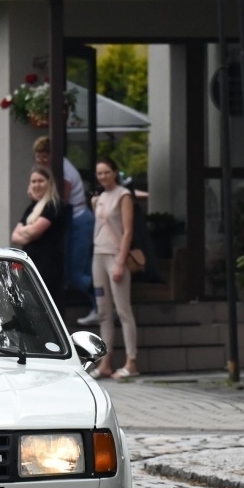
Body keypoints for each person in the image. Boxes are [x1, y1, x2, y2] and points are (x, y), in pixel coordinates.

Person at [33, 136, 96, 324]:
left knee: (75, 271)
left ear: (53, 154)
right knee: (82, 269)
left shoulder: (64, 170)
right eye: (38, 156)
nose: (41, 159)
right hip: (76, 220)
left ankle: (102, 302)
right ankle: (100, 304)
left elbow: (61, 200)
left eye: (44, 155)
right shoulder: (56, 167)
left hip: (79, 220)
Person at [91, 157, 139, 380]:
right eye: (99, 173)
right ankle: (105, 362)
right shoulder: (99, 198)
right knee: (104, 312)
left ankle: (131, 361)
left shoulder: (123, 195)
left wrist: (120, 262)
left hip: (115, 255)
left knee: (123, 309)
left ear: (115, 173)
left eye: (106, 172)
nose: (103, 177)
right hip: (98, 255)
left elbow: (128, 231)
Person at [11, 166, 67, 303]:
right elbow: (14, 237)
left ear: (49, 183)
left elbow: (34, 232)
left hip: (48, 265)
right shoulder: (31, 208)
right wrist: (28, 232)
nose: (36, 185)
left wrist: (25, 230)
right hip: (30, 262)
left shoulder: (53, 205)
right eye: (33, 181)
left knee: (44, 302)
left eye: (40, 181)